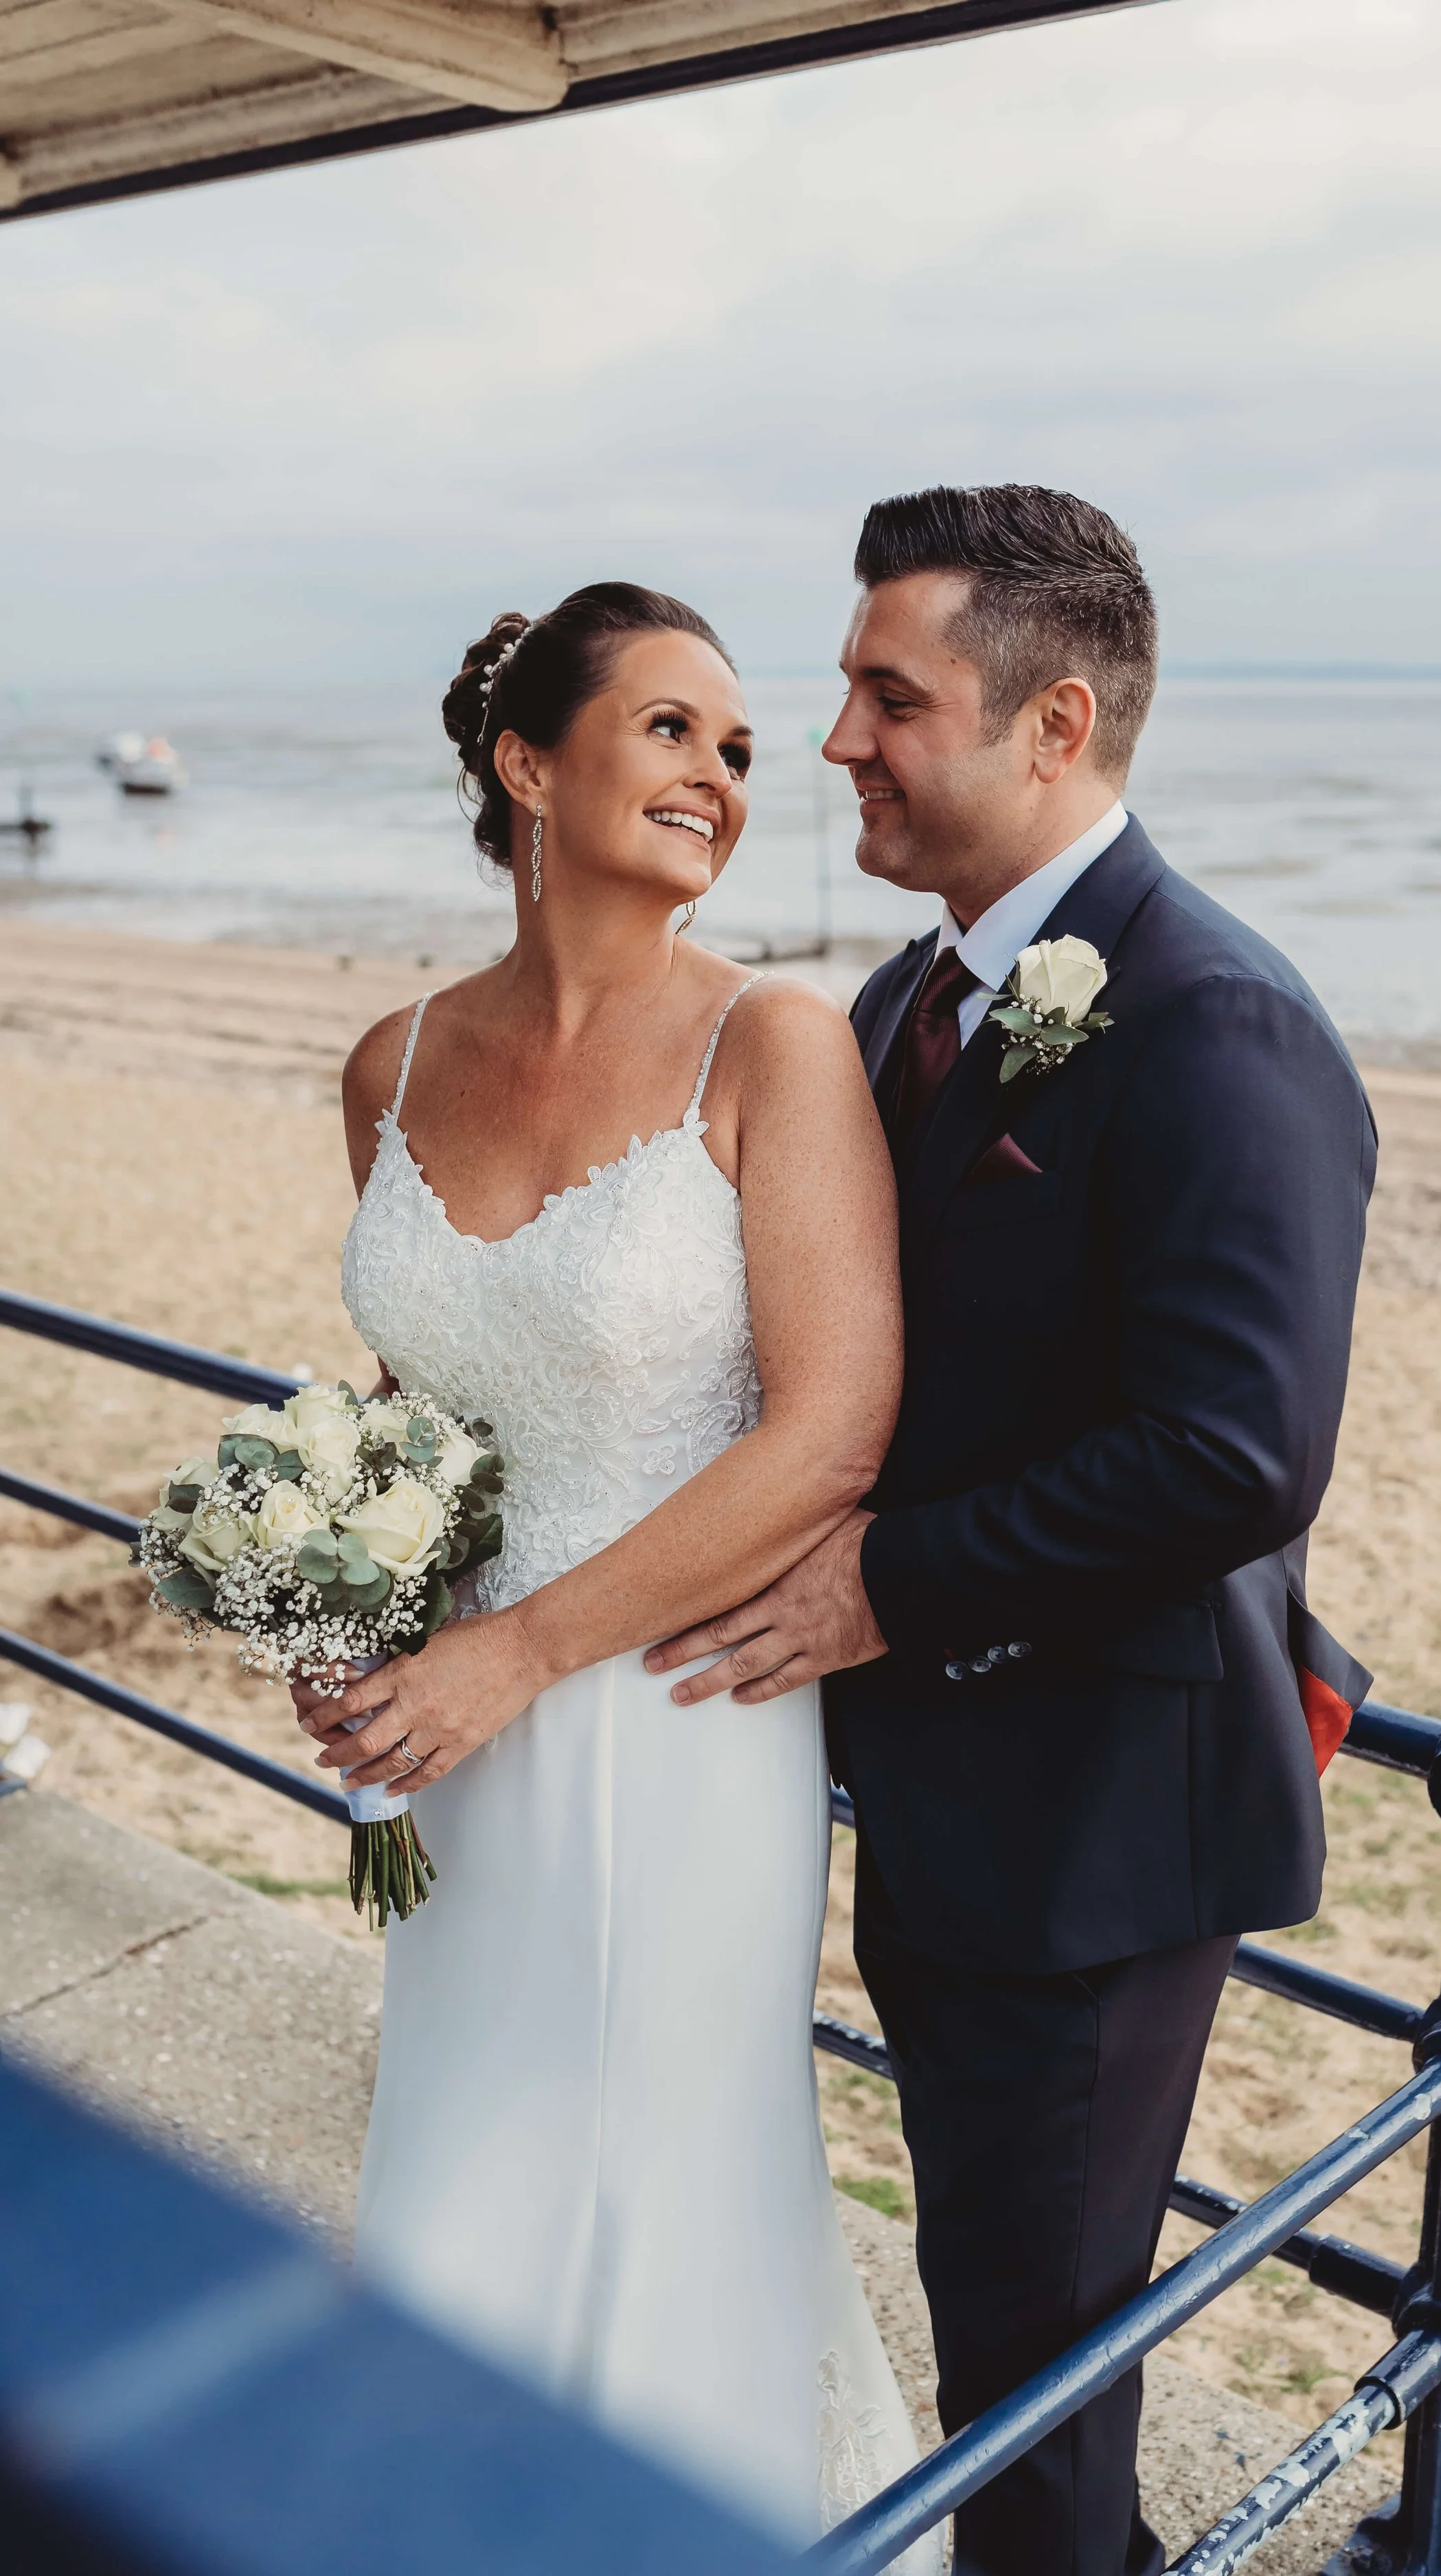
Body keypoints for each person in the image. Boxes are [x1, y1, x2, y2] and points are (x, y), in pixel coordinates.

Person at [648, 486, 1377, 2576]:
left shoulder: (1218, 1019)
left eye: (891, 694)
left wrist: (881, 1579)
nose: (836, 737)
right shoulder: (898, 1005)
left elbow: (1235, 1453)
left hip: (1095, 1828)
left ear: (1054, 723)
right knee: (997, 2342)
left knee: (1037, 2393)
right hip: (942, 1806)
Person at [294, 580, 938, 2565]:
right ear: (524, 764)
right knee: (465, 2151)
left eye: (738, 750)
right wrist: (347, 1602)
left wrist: (519, 1653)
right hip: (454, 1747)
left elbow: (831, 1428)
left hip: (678, 1712)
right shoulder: (387, 1066)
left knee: (664, 2181)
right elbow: (425, 1414)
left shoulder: (777, 1041)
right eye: (670, 729)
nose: (723, 776)